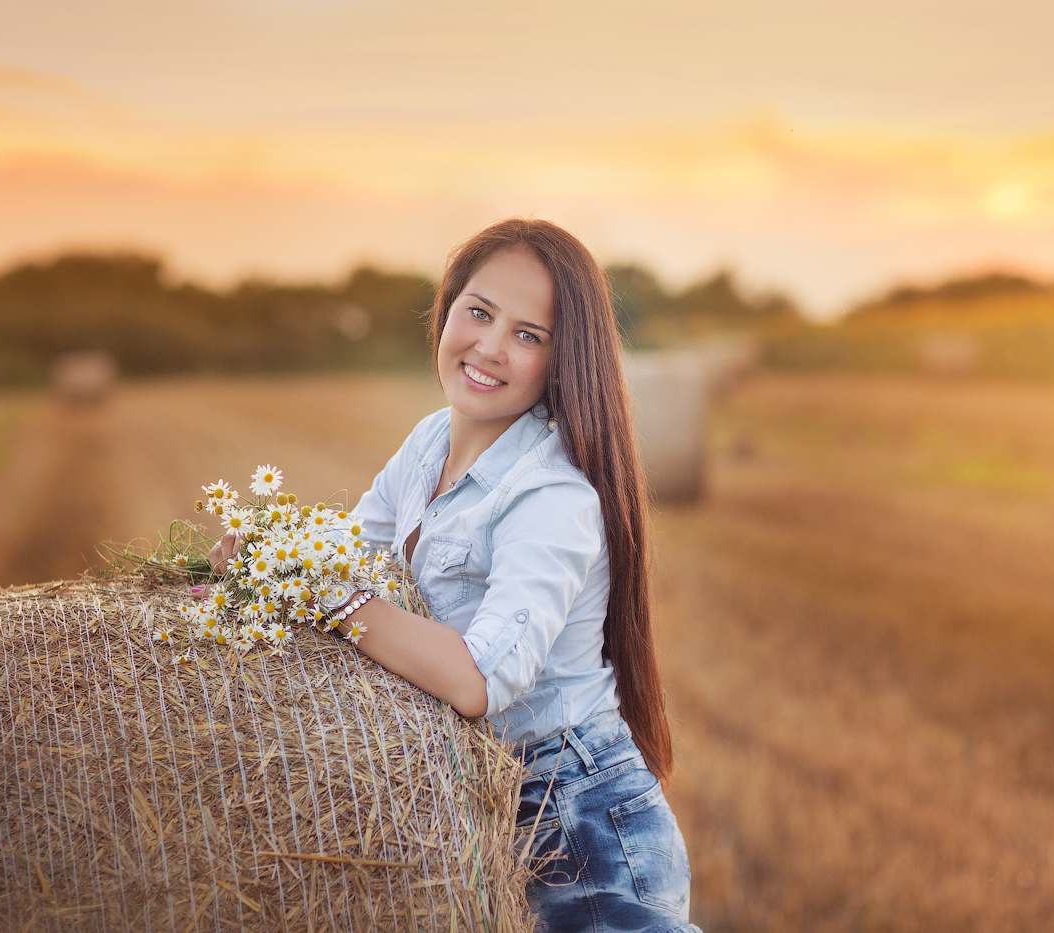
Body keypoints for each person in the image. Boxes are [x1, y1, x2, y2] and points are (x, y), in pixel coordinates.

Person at [213, 218, 698, 932]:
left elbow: (477, 679)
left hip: (582, 827)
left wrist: (320, 591)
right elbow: (355, 555)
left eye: (529, 335)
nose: (490, 347)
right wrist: (272, 558)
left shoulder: (550, 497)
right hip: (486, 805)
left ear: (562, 360)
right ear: (447, 310)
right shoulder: (427, 441)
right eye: (479, 312)